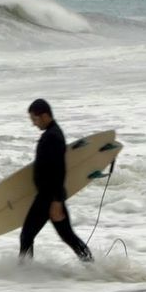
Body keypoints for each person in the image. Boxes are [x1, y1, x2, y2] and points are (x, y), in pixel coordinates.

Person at [20, 99, 93, 262]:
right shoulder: (52, 134)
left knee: (27, 235)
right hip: (51, 196)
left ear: (44, 116)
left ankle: (24, 273)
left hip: (48, 197)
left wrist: (57, 201)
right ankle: (91, 264)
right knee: (67, 235)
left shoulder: (52, 137)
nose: (34, 124)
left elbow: (58, 171)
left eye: (35, 119)